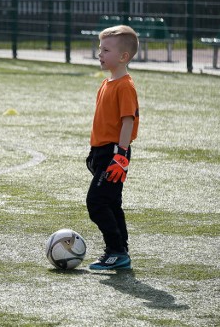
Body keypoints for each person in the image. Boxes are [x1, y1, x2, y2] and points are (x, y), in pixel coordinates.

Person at [86, 25, 140, 270]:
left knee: (96, 202)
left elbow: (128, 121)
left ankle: (115, 250)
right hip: (103, 152)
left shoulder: (125, 86)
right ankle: (122, 251)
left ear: (123, 57)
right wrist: (94, 153)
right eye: (100, 49)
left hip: (115, 153)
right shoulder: (107, 83)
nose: (100, 54)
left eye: (106, 50)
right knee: (112, 203)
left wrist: (120, 155)